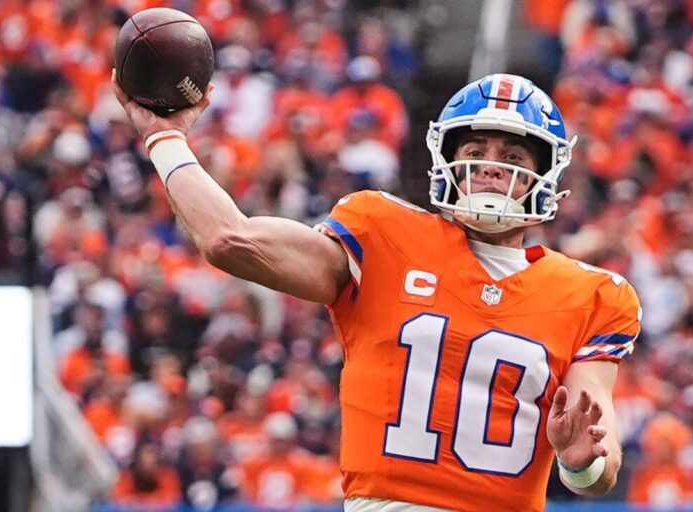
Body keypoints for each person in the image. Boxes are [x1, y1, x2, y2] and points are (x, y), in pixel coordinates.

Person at [112, 70, 641, 512]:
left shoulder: (593, 295)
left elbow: (598, 468)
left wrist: (580, 460)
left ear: (543, 175)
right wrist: (165, 138)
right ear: (446, 161)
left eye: (512, 156)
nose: (489, 166)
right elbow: (230, 239)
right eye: (475, 149)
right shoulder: (383, 232)